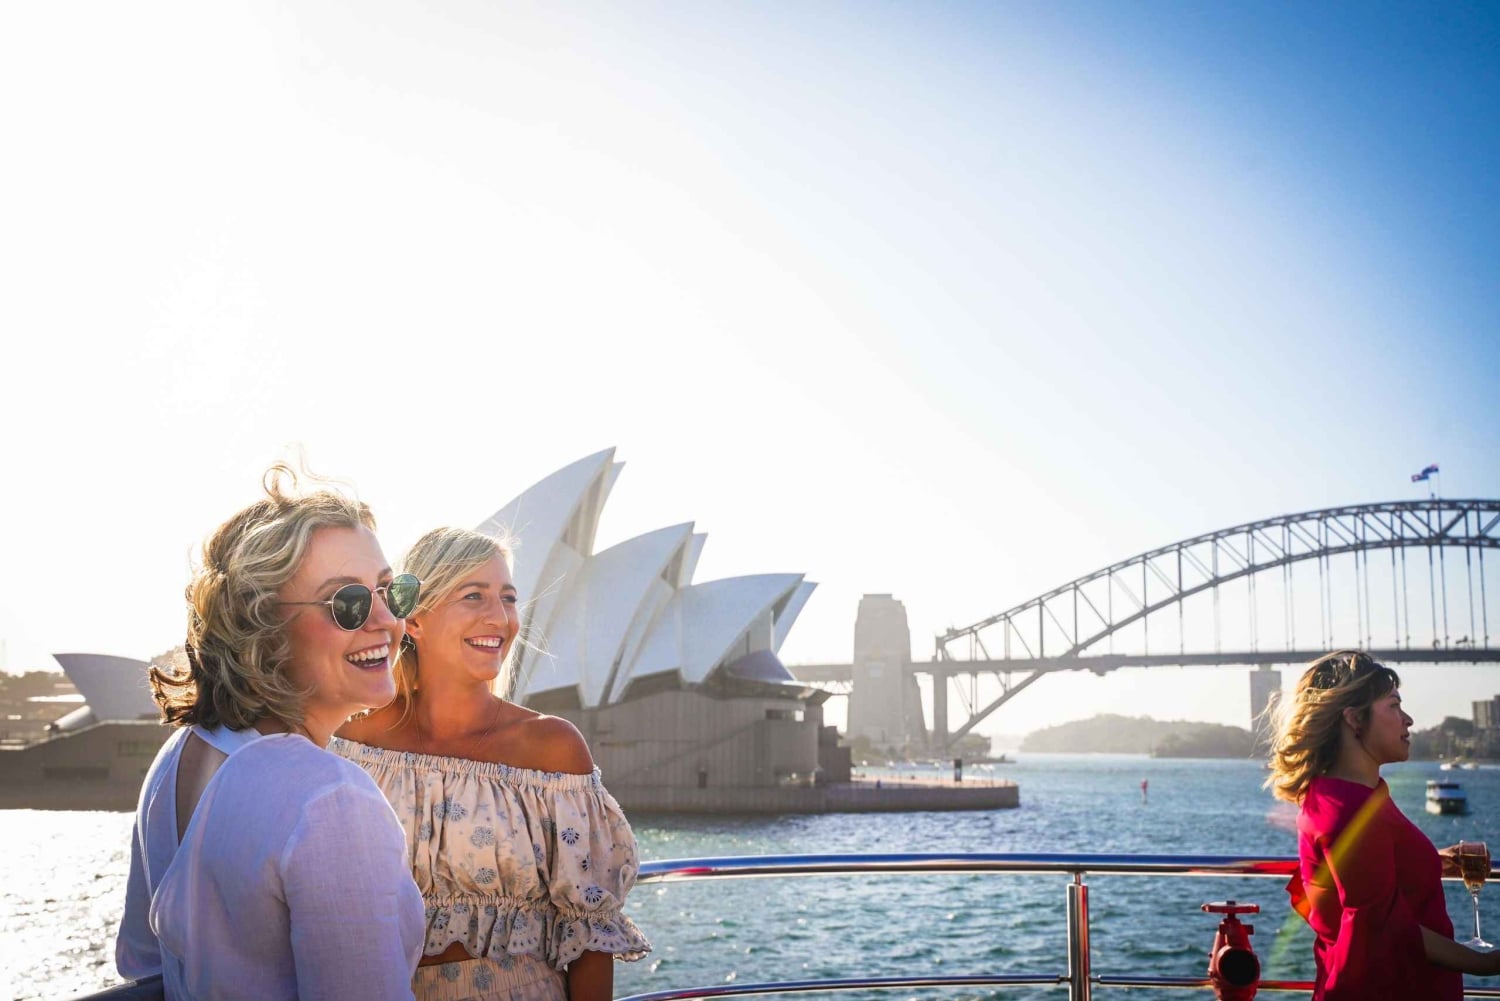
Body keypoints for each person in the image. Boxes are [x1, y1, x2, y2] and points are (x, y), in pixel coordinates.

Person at [115, 465, 426, 1000]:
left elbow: (145, 963)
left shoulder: (178, 757)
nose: (387, 621)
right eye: (346, 604)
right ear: (262, 629)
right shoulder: (332, 800)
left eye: (389, 591)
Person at [334, 527, 650, 1001]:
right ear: (414, 620)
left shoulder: (551, 748)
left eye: (508, 597)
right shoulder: (353, 740)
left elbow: (590, 937)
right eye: (473, 596)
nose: (500, 618)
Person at [1266, 649, 1500, 999]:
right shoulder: (1348, 808)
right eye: (1393, 705)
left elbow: (1362, 879)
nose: (1408, 719)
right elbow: (1381, 924)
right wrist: (1486, 964)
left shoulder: (1347, 795)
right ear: (1355, 720)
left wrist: (1429, 860)